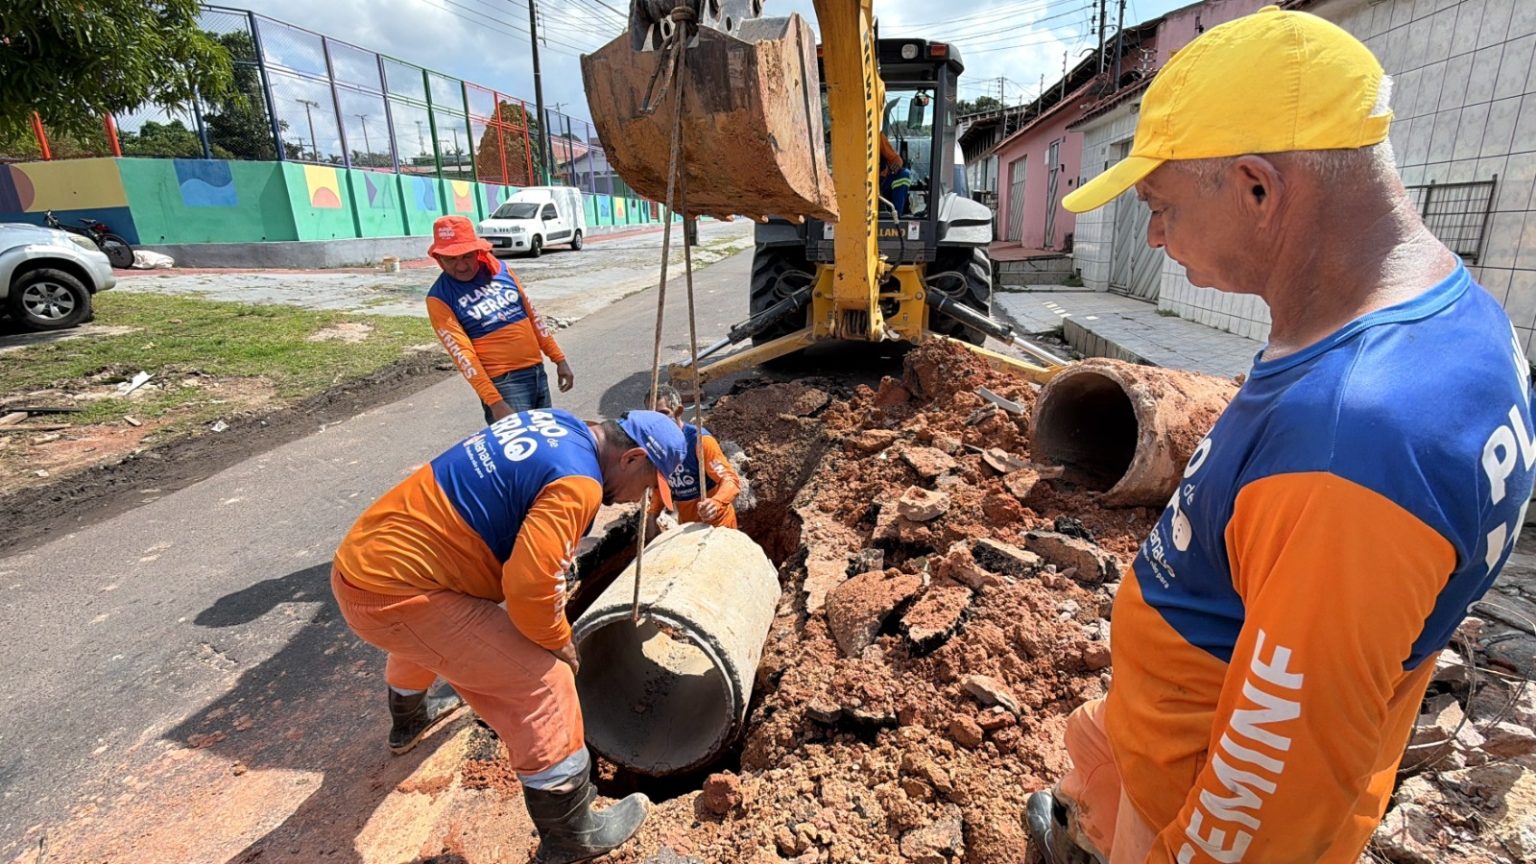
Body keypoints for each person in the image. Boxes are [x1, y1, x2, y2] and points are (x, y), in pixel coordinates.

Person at [1024, 7, 1536, 863]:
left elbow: (1271, 791)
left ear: (1259, 188)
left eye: (1161, 204)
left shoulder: (1353, 442)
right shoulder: (1457, 323)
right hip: (1168, 746)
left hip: (1194, 811)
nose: (1152, 234)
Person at [331, 408, 687, 863]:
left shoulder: (557, 422)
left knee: (434, 638)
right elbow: (530, 590)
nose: (639, 500)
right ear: (634, 458)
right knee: (544, 684)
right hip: (397, 594)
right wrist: (558, 639)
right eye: (648, 487)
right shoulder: (579, 484)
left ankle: (409, 719)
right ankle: (571, 836)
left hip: (366, 563)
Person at [425, 215, 575, 424]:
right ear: (438, 259)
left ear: (478, 251)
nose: (461, 266)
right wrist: (495, 402)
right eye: (451, 259)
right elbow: (463, 355)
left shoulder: (501, 270)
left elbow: (532, 317)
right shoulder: (439, 297)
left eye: (467, 256)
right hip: (504, 386)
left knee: (545, 445)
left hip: (537, 373)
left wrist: (559, 360)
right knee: (520, 453)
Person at [645, 384, 742, 535]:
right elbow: (661, 485)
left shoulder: (699, 442)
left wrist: (715, 503)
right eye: (653, 417)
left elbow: (730, 480)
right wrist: (653, 514)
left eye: (663, 414)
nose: (658, 422)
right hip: (688, 529)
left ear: (678, 411)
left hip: (719, 527)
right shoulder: (658, 447)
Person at [879, 134, 913, 217]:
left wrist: (895, 167)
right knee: (904, 174)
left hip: (880, 183)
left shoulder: (878, 137)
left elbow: (896, 159)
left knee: (904, 175)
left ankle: (896, 216)